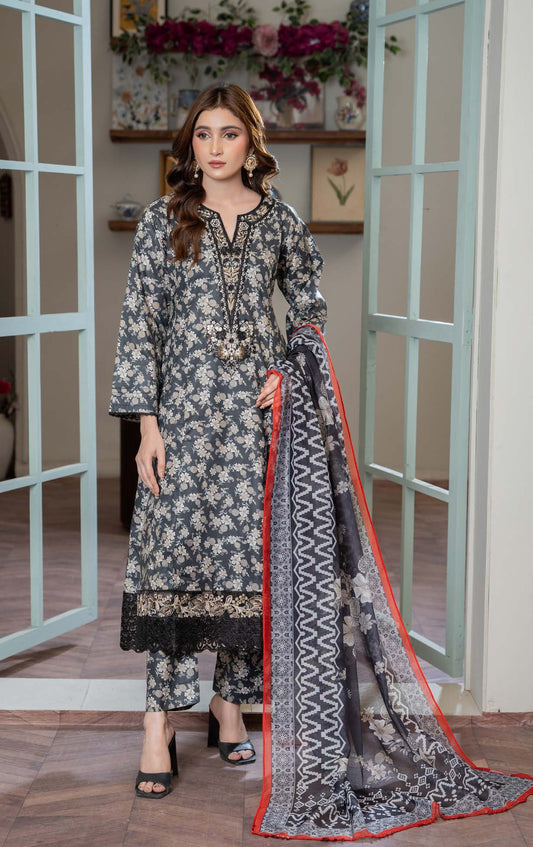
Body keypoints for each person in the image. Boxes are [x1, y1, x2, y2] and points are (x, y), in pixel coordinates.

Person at [108, 82, 327, 798]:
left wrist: (288, 369)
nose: (214, 148)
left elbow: (309, 303)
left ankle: (229, 705)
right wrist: (146, 425)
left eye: (228, 133)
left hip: (251, 423)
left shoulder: (278, 219)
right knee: (170, 559)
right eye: (203, 134)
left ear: (251, 142)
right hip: (181, 419)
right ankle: (158, 725)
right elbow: (140, 322)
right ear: (189, 144)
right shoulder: (164, 218)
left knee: (245, 561)